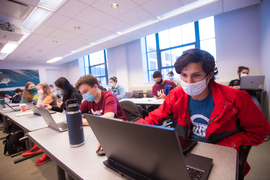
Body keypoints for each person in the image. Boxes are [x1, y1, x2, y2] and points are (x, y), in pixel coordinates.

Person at [136, 48, 270, 176]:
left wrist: (228, 145)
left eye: (196, 75)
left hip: (220, 154)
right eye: (184, 75)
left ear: (210, 75)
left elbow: (260, 132)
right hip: (185, 151)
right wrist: (134, 128)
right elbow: (155, 116)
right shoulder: (176, 94)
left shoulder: (236, 98)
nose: (189, 82)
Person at [75, 74, 127, 153]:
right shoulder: (88, 101)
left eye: (85, 91)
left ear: (95, 87)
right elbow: (76, 112)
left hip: (120, 130)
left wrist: (83, 122)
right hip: (103, 129)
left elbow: (109, 117)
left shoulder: (109, 96)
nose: (84, 95)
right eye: (82, 93)